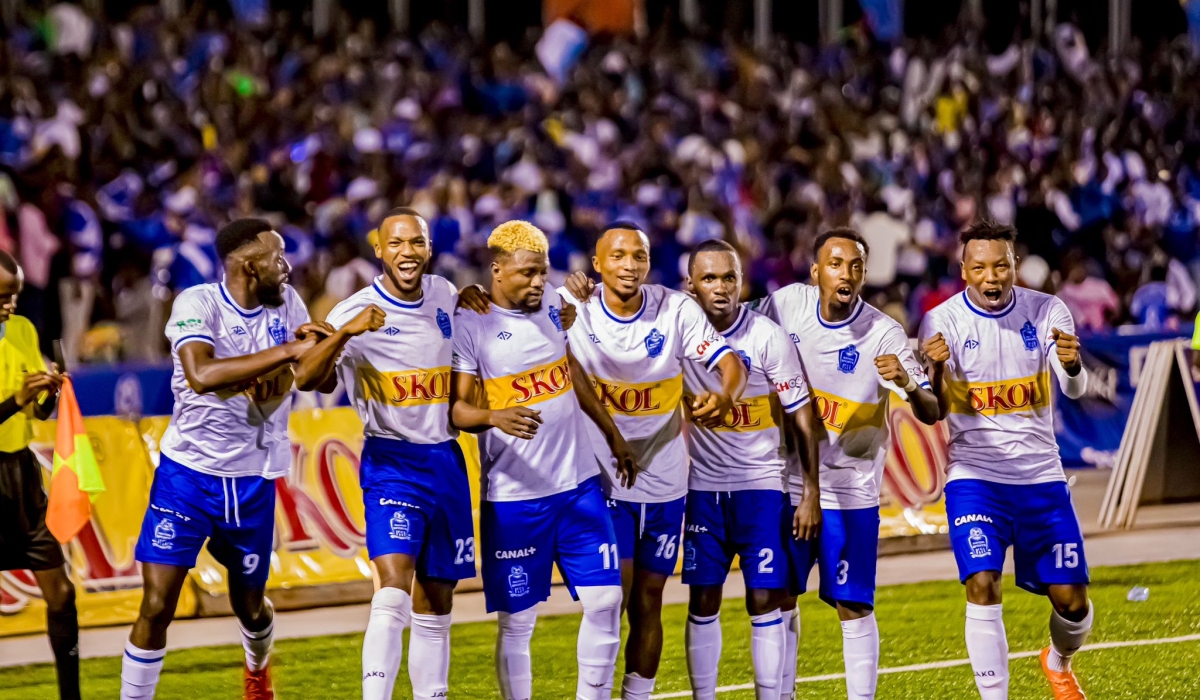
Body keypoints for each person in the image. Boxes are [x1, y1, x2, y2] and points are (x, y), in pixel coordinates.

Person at [121, 218, 372, 700]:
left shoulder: (289, 307)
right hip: (188, 475)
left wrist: (325, 348)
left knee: (250, 606)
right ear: (250, 266)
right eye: (278, 257)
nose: (288, 265)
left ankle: (257, 671)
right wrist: (287, 352)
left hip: (253, 478)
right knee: (156, 603)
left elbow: (317, 382)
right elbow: (200, 374)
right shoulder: (198, 302)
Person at [299, 208, 493, 700]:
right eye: (397, 244)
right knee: (391, 588)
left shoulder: (448, 295)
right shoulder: (352, 310)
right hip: (392, 462)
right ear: (380, 251)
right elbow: (306, 377)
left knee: (438, 601)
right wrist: (346, 334)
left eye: (417, 243)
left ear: (429, 249)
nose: (408, 252)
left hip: (446, 460)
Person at [448, 220, 638, 700]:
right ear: (497, 271)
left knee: (607, 600)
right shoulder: (471, 324)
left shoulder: (554, 304)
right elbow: (458, 408)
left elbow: (568, 368)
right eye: (527, 274)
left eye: (543, 272)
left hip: (578, 487)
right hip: (515, 498)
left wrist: (611, 434)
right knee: (518, 622)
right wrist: (495, 416)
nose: (538, 282)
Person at [560, 223, 748, 700]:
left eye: (639, 256)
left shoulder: (676, 308)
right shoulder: (572, 306)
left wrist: (726, 396)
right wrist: (473, 294)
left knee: (649, 601)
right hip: (605, 481)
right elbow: (513, 308)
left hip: (665, 482)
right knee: (608, 602)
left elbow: (731, 363)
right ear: (598, 263)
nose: (630, 265)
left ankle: (636, 695)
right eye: (618, 256)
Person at [754, 228, 940, 700]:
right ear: (816, 271)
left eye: (856, 265)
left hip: (850, 490)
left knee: (852, 605)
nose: (847, 273)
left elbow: (931, 410)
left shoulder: (884, 333)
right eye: (836, 264)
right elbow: (732, 325)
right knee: (776, 597)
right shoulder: (784, 305)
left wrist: (912, 384)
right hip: (788, 482)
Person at [918, 222, 1092, 700]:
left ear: (1014, 265)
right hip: (975, 476)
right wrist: (930, 369)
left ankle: (1058, 661)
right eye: (980, 267)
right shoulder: (941, 321)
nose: (991, 277)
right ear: (964, 271)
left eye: (1001, 265)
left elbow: (1073, 388)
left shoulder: (1047, 310)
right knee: (982, 581)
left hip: (1040, 477)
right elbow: (934, 409)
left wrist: (1073, 365)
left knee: (1073, 604)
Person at [679, 240, 819, 700]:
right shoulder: (679, 332)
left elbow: (801, 411)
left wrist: (810, 492)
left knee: (765, 599)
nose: (721, 288)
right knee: (703, 600)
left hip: (761, 489)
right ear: (690, 284)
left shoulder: (766, 335)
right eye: (709, 278)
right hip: (703, 487)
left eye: (729, 278)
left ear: (741, 282)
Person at [0, 251, 72, 699]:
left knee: (61, 593)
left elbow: (39, 413)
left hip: (22, 475)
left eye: (14, 296)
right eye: (1, 297)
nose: (9, 304)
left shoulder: (24, 329)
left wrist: (50, 394)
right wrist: (14, 398)